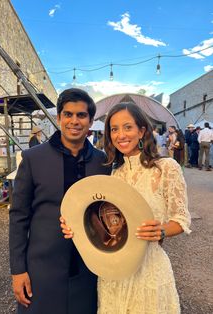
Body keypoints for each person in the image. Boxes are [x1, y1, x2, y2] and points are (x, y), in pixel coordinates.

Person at [61, 103, 191, 314]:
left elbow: (182, 219)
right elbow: (102, 222)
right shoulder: (113, 175)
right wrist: (74, 225)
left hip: (149, 269)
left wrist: (162, 231)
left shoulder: (166, 168)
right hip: (113, 273)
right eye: (114, 129)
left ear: (142, 131)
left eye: (127, 127)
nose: (120, 134)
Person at [9, 88, 111, 314]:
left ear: (90, 121)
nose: (74, 121)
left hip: (88, 271)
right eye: (68, 114)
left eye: (81, 115)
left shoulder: (103, 163)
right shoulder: (33, 158)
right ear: (59, 118)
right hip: (42, 270)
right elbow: (18, 216)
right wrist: (18, 270)